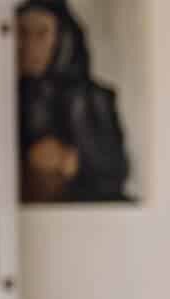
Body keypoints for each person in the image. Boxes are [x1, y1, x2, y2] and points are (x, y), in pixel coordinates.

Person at [15, 0, 131, 202]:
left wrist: (70, 160)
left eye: (41, 33)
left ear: (62, 38)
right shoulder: (1, 97)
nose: (29, 45)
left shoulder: (92, 98)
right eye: (22, 33)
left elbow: (115, 171)